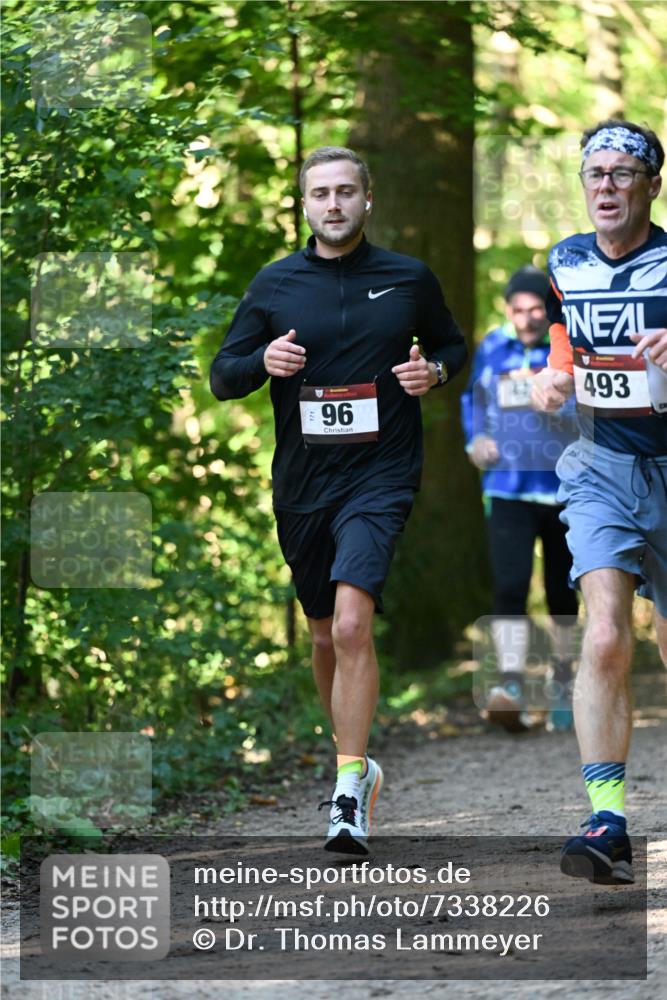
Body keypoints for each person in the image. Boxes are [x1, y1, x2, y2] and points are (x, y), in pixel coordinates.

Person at [210, 146, 467, 854]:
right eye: (320, 192)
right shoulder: (275, 284)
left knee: (353, 626)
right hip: (303, 484)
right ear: (304, 203)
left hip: (380, 474)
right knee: (324, 633)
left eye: (345, 191)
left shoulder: (407, 278)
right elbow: (221, 376)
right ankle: (355, 759)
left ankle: (346, 791)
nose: (333, 204)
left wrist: (433, 372)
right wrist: (261, 362)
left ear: (367, 199)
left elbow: (451, 344)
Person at [531, 120, 667, 885]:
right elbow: (563, 328)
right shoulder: (565, 258)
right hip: (601, 463)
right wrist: (555, 373)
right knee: (606, 632)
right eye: (594, 174)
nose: (606, 186)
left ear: (651, 184)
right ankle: (606, 818)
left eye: (622, 174)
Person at [461, 266, 579, 734]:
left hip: (561, 486)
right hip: (506, 488)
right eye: (518, 310)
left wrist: (553, 397)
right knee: (509, 586)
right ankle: (509, 686)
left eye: (535, 309)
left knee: (560, 590)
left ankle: (564, 681)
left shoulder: (566, 346)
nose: (527, 319)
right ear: (507, 311)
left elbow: (586, 402)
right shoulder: (493, 346)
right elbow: (473, 399)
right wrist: (476, 440)